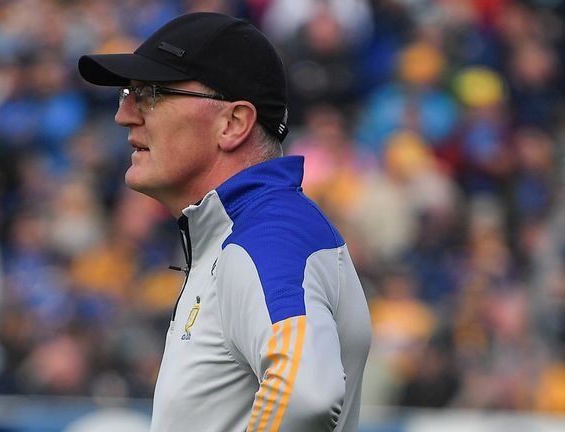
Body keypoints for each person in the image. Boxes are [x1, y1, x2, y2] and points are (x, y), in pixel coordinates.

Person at [78, 12, 371, 432]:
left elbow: (306, 394)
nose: (125, 113)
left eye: (150, 94)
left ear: (233, 123)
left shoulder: (269, 234)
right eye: (129, 92)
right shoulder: (246, 230)